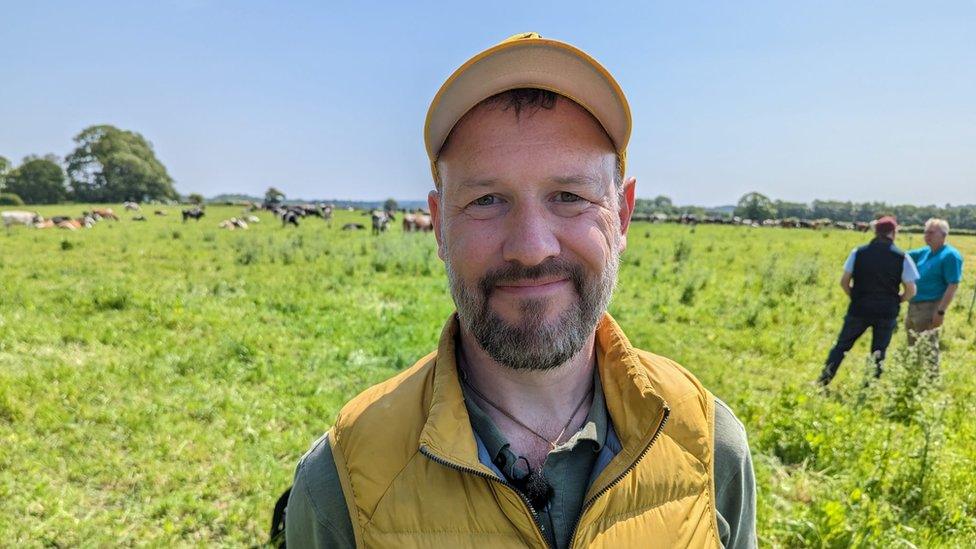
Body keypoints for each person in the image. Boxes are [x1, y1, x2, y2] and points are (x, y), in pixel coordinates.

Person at [286, 33, 756, 548]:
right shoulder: (343, 482)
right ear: (439, 225)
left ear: (621, 215)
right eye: (487, 199)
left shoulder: (708, 444)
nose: (531, 247)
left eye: (569, 196)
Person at [817, 216, 919, 385]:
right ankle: (870, 388)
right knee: (879, 351)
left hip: (859, 308)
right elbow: (911, 289)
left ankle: (823, 381)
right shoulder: (902, 257)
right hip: (886, 311)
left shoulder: (858, 252)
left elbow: (844, 282)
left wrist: (855, 296)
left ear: (875, 232)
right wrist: (898, 300)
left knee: (842, 346)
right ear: (893, 233)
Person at [905, 218, 964, 370]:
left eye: (931, 232)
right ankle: (913, 374)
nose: (926, 235)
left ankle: (931, 380)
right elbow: (902, 256)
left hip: (930, 306)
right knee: (912, 344)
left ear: (943, 235)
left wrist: (940, 311)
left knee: (928, 346)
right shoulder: (925, 252)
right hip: (914, 305)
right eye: (925, 232)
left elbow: (953, 284)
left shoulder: (949, 255)